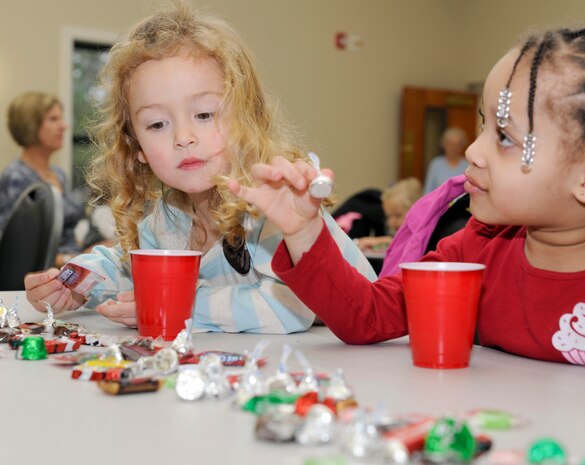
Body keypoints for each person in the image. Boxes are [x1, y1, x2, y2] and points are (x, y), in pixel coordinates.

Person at [227, 24, 585, 394]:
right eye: (482, 124)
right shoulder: (476, 251)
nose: (473, 151)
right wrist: (304, 229)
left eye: (505, 137)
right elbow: (365, 317)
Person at [23, 2, 375, 334]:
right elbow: (126, 267)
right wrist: (74, 283)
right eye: (157, 124)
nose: (184, 137)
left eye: (205, 115)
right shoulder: (171, 218)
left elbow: (291, 305)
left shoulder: (275, 202)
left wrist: (178, 304)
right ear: (137, 147)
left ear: (246, 118)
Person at [0, 92, 86, 267]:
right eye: (53, 119)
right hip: (42, 274)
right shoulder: (16, 177)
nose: (63, 126)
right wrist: (69, 260)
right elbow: (15, 249)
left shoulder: (58, 174)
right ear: (30, 125)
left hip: (72, 260)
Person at [354, 177, 422, 252]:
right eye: (388, 216)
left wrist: (382, 240)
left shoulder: (419, 233)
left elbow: (407, 242)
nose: (391, 222)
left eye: (397, 215)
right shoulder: (394, 232)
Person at [422, 127, 469, 194]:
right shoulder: (435, 164)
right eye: (450, 144)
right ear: (444, 145)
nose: (453, 148)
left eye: (457, 144)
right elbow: (428, 190)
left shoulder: (467, 165)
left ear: (462, 146)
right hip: (439, 203)